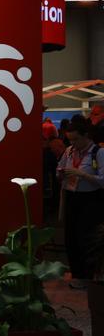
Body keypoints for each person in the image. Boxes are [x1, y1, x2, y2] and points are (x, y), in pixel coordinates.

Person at [58, 116, 104, 287]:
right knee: (71, 239)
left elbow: (103, 180)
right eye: (70, 140)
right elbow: (59, 168)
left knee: (88, 240)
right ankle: (76, 275)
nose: (73, 143)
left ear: (86, 135)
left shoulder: (98, 153)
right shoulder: (69, 151)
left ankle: (88, 277)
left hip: (90, 200)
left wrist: (82, 174)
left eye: (76, 139)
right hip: (72, 197)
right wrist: (61, 173)